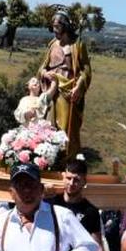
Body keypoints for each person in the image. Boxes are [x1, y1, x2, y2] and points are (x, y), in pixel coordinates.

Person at [38, 9, 92, 159]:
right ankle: (50, 158)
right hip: (50, 89)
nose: (54, 30)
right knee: (49, 125)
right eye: (53, 27)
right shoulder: (52, 45)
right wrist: (44, 73)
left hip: (67, 90)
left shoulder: (78, 45)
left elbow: (86, 71)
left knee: (66, 126)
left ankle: (67, 160)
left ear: (65, 27)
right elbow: (42, 67)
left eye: (58, 27)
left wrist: (79, 86)